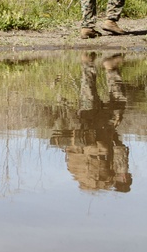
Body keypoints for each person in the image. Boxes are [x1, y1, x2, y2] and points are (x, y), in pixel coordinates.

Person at [49, 53, 131, 192]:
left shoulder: (107, 175)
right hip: (93, 127)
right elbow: (117, 148)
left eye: (127, 177)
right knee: (96, 96)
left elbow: (118, 150)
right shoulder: (82, 174)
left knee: (110, 99)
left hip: (95, 127)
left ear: (124, 179)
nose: (126, 175)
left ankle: (102, 67)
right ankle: (96, 65)